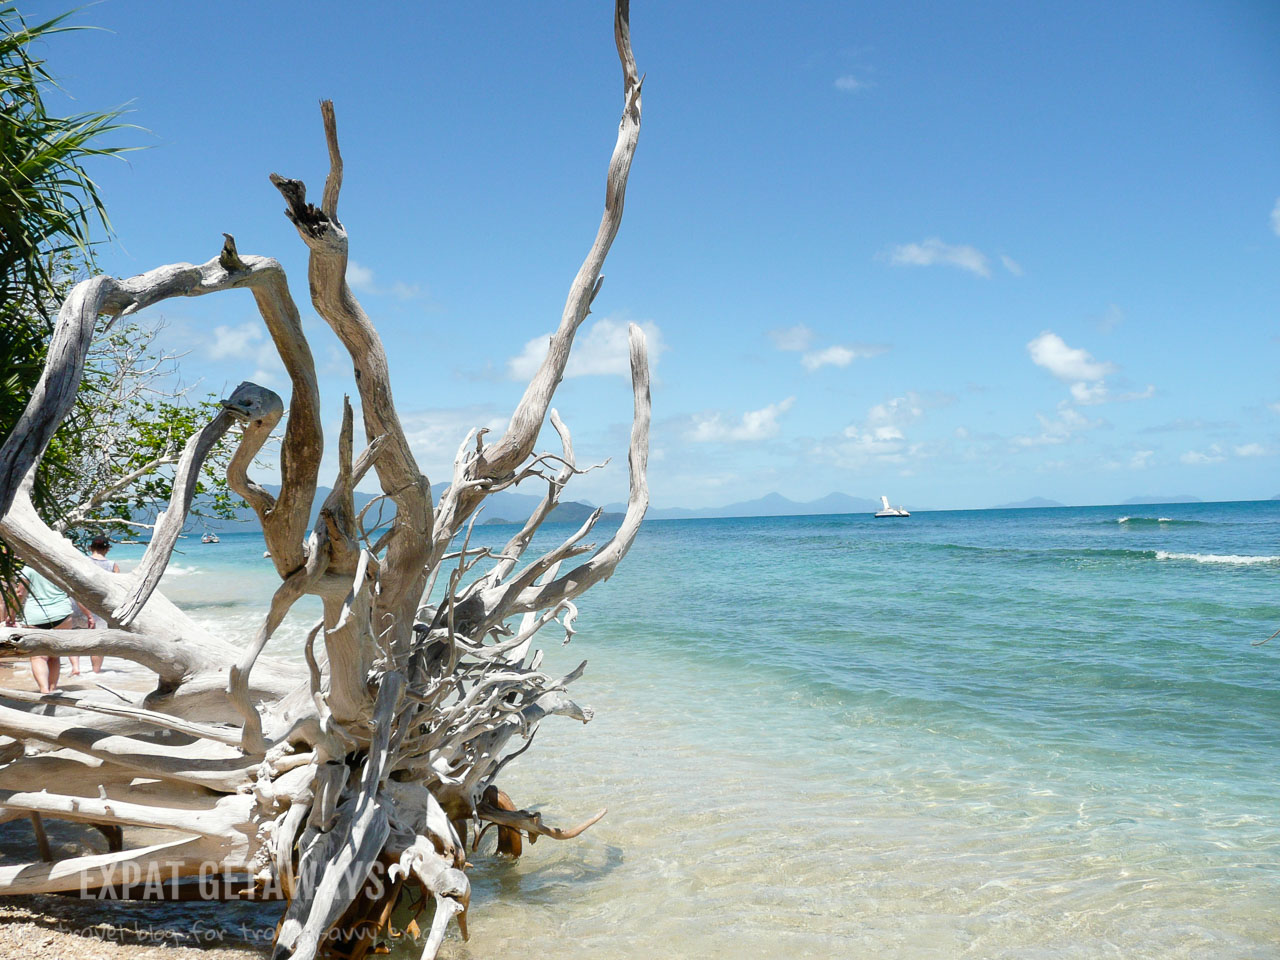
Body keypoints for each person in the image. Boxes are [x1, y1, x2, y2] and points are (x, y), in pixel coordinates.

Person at [16, 566, 87, 693]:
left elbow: (20, 593)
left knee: (38, 656)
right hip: (62, 614)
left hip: (35, 617)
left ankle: (44, 690)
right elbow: (74, 592)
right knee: (54, 655)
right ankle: (53, 690)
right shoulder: (58, 566)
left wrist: (11, 614)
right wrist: (89, 614)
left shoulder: (29, 568)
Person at [80, 534, 118, 673]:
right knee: (97, 641)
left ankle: (75, 668)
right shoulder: (112, 565)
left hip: (79, 603)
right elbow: (116, 588)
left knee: (73, 637)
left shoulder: (82, 561)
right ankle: (96, 672)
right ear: (107, 549)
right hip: (99, 606)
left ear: (90, 548)